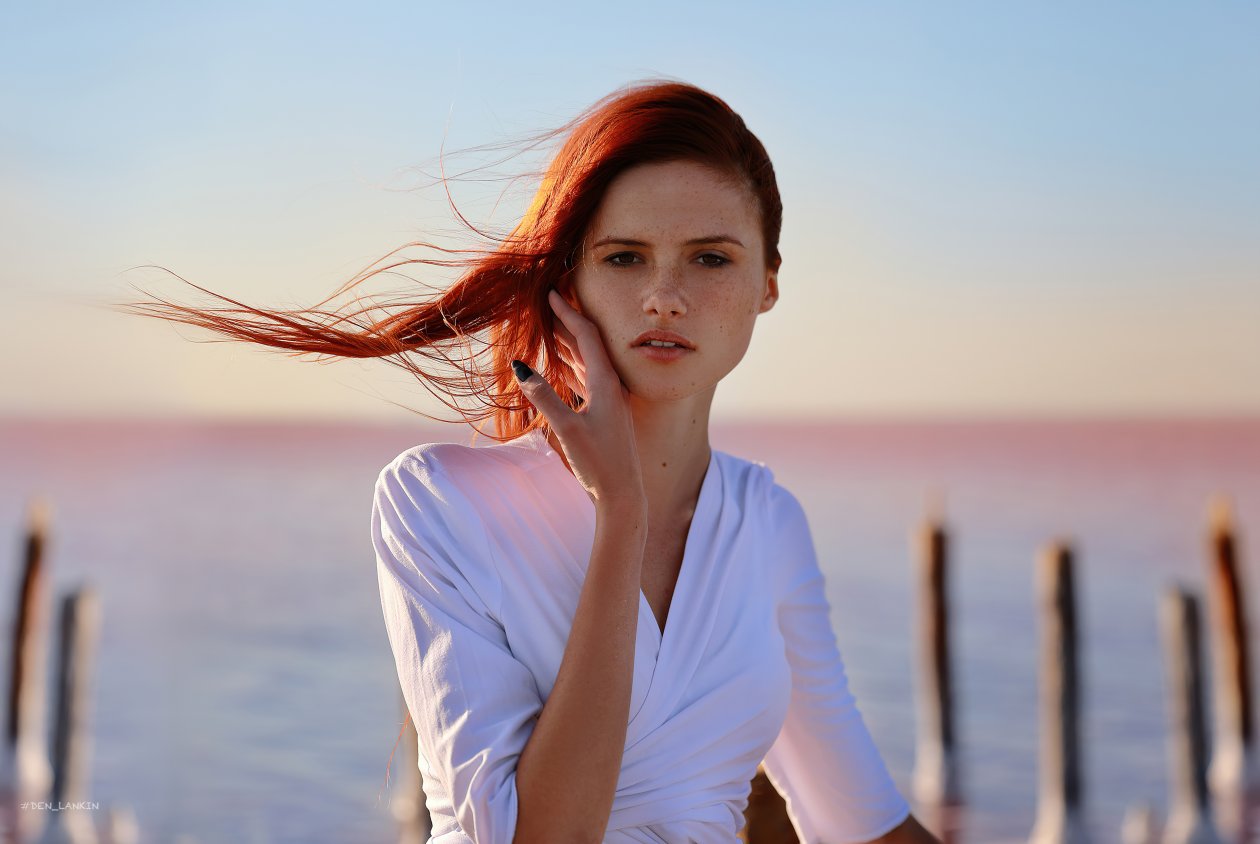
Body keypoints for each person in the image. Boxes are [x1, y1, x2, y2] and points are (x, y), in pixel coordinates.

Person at [119, 79, 941, 844]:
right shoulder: (439, 500)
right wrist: (619, 511)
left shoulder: (765, 521)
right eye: (624, 257)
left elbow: (862, 822)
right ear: (569, 282)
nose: (664, 295)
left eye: (710, 257)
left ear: (767, 281)